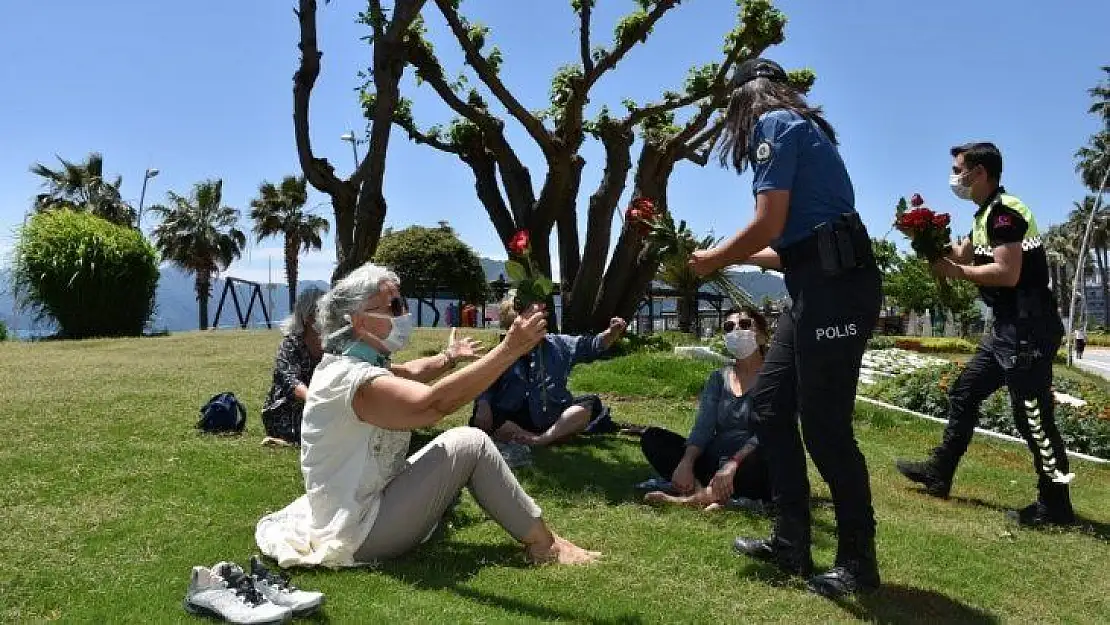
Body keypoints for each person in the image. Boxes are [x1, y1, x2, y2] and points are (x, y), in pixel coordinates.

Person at [255, 263, 599, 568]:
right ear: (359, 322)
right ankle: (544, 546)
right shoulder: (353, 379)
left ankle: (545, 537)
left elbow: (411, 372)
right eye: (394, 305)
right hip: (359, 531)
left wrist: (449, 358)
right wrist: (509, 350)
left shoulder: (352, 362)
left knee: (458, 449)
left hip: (358, 509)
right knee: (471, 443)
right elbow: (430, 406)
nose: (403, 313)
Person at [689, 58, 882, 597]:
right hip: (813, 286)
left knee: (826, 428)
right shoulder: (806, 128)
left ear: (745, 98)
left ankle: (858, 563)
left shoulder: (775, 124)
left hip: (835, 292)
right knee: (771, 407)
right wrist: (731, 257)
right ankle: (791, 541)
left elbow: (768, 223)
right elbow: (790, 243)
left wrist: (712, 259)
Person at [896, 142, 1076, 527]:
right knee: (966, 390)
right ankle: (938, 473)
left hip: (1028, 328)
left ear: (979, 173)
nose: (955, 177)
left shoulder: (1006, 213)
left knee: (1032, 416)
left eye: (959, 169)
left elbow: (1007, 272)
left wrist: (957, 272)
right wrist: (931, 244)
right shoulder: (986, 215)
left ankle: (1056, 504)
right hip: (1006, 329)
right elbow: (971, 253)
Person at [639, 307, 772, 511]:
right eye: (729, 327)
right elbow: (704, 427)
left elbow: (767, 432)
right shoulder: (718, 378)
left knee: (767, 453)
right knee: (653, 437)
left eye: (744, 325)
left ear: (762, 337)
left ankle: (693, 498)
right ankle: (711, 492)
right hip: (715, 461)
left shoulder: (775, 379)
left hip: (750, 462)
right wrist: (687, 462)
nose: (736, 331)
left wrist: (733, 464)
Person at [470, 297, 628, 446]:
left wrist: (611, 333)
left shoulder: (559, 344)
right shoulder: (499, 352)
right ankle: (531, 436)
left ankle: (541, 440)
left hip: (552, 415)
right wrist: (483, 403)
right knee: (485, 417)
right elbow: (484, 385)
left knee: (587, 405)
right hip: (512, 416)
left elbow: (591, 346)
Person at [260, 287, 326, 447]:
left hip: (317, 404)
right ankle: (286, 440)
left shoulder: (331, 345)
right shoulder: (290, 344)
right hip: (286, 407)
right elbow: (290, 381)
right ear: (308, 317)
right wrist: (314, 400)